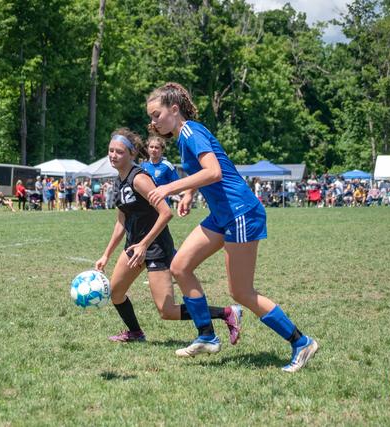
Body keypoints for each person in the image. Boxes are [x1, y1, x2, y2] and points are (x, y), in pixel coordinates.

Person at [145, 82, 317, 372]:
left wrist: (170, 188)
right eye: (151, 117)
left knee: (241, 292)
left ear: (174, 110)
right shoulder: (185, 136)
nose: (153, 122)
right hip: (222, 214)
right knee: (180, 267)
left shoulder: (191, 132)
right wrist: (189, 193)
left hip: (240, 213)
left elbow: (214, 172)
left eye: (156, 115)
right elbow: (207, 171)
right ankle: (206, 336)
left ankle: (302, 342)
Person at [95, 128, 240, 343]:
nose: (113, 155)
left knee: (167, 311)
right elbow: (121, 221)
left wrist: (144, 244)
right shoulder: (119, 180)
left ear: (132, 153)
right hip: (134, 247)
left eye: (119, 152)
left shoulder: (139, 179)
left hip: (155, 248)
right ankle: (135, 332)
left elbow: (166, 212)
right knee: (116, 293)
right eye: (111, 150)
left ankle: (226, 313)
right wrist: (106, 255)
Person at [140, 135, 180, 205]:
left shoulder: (167, 166)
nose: (153, 150)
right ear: (147, 149)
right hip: (144, 205)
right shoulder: (142, 165)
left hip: (161, 204)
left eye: (157, 147)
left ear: (162, 150)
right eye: (151, 147)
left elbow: (177, 184)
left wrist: (168, 192)